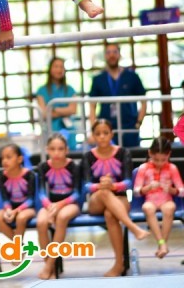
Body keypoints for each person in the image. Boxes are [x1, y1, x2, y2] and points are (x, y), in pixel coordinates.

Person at [82, 119, 149, 277]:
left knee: (110, 214)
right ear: (93, 136)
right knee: (104, 192)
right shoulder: (88, 156)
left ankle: (119, 264)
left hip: (120, 198)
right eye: (98, 134)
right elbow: (85, 185)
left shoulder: (123, 153)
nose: (102, 137)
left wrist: (113, 186)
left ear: (112, 134)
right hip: (97, 200)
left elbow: (128, 182)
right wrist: (101, 186)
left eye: (105, 133)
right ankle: (132, 227)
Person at [36, 133, 80, 280]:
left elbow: (77, 193)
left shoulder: (73, 166)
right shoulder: (43, 167)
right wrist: (49, 206)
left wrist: (59, 205)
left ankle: (49, 266)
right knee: (41, 222)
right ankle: (51, 268)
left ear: (66, 150)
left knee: (62, 217)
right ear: (47, 150)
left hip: (70, 204)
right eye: (53, 149)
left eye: (60, 149)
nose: (56, 153)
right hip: (50, 204)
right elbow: (41, 192)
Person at [133, 137, 184, 258]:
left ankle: (162, 245)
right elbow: (136, 192)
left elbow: (182, 191)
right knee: (147, 208)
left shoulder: (172, 168)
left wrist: (171, 189)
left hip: (166, 200)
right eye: (156, 160)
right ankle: (162, 244)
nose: (160, 163)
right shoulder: (143, 168)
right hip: (150, 200)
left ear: (169, 155)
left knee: (170, 208)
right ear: (150, 153)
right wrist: (148, 187)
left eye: (163, 160)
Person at [89, 42, 146, 147]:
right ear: (105, 56)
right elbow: (92, 105)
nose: (112, 55)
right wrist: (94, 128)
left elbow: (144, 101)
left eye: (115, 52)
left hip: (129, 127)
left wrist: (138, 123)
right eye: (108, 52)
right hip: (106, 128)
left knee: (131, 155)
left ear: (119, 54)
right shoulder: (98, 79)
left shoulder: (132, 76)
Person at [0, 144, 36, 246]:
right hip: (11, 208)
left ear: (20, 159)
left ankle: (17, 249)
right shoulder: (2, 177)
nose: (4, 161)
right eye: (2, 158)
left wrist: (16, 211)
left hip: (28, 208)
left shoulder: (29, 175)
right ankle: (20, 246)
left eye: (8, 157)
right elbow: (5, 198)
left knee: (21, 217)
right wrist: (8, 210)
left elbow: (30, 200)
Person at [36, 57, 78, 150]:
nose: (59, 69)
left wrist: (55, 110)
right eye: (56, 66)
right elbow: (44, 114)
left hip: (68, 132)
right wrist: (65, 111)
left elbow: (73, 110)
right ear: (50, 69)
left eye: (61, 67)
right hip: (50, 131)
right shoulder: (41, 91)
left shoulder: (70, 89)